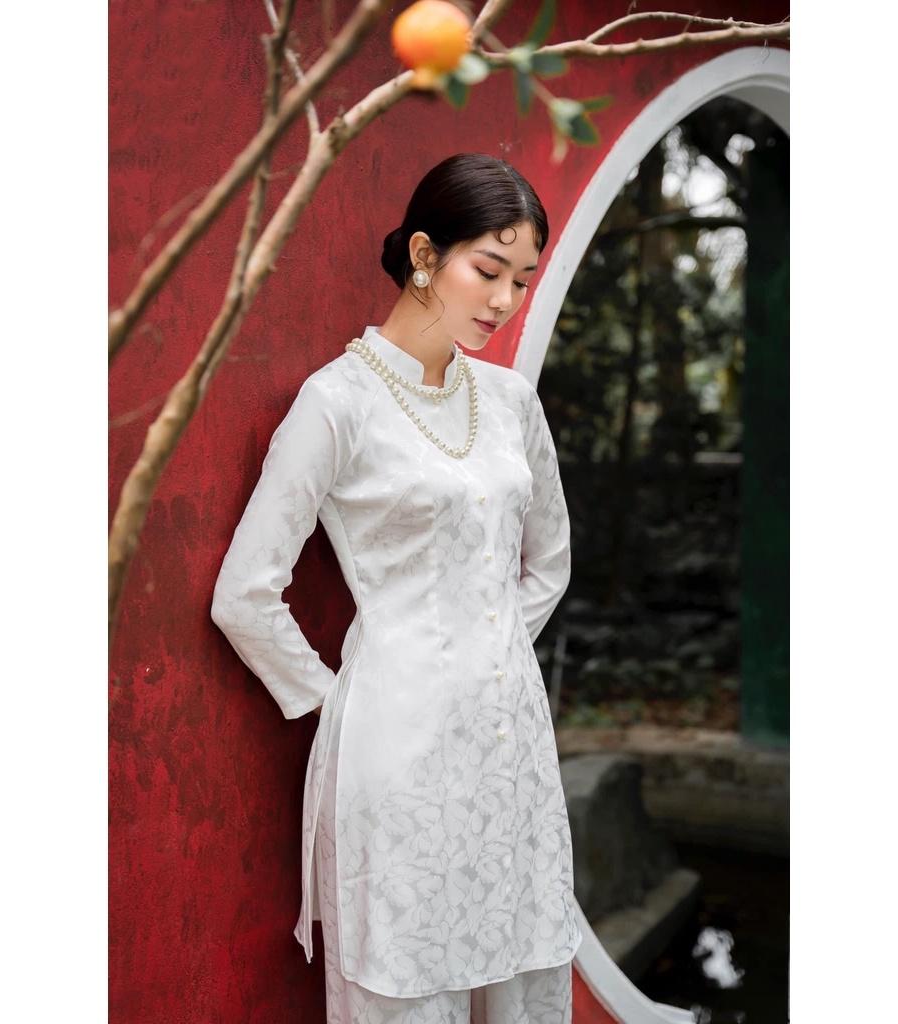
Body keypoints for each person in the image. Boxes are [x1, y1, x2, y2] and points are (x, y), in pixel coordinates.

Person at [211, 152, 582, 1023]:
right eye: (488, 269)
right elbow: (244, 594)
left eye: (522, 279)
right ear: (423, 254)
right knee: (407, 976)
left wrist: (485, 650)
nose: (504, 299)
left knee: (523, 961)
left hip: (512, 744)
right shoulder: (338, 403)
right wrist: (340, 702)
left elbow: (550, 562)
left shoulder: (511, 401)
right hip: (396, 750)